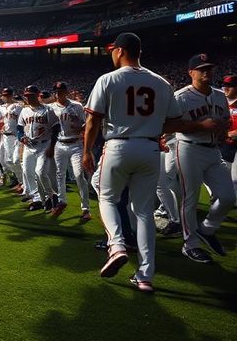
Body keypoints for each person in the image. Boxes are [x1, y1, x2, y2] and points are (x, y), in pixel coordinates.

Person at [81, 33, 209, 293]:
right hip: (151, 148)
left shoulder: (108, 79)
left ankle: (116, 246)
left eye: (112, 51)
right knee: (144, 213)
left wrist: (86, 152)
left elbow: (93, 121)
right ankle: (145, 276)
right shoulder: (161, 82)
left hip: (118, 145)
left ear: (120, 51)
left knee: (107, 198)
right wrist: (150, 126)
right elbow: (175, 122)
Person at [173, 54, 235, 264]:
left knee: (228, 196)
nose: (207, 71)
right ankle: (190, 245)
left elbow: (225, 120)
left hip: (213, 150)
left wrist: (222, 129)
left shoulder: (219, 96)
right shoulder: (180, 97)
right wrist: (200, 126)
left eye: (209, 68)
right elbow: (169, 126)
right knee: (190, 198)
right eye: (201, 69)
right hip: (189, 149)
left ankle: (206, 229)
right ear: (191, 73)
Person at [50, 81, 91, 220]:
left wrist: (78, 125)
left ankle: (86, 209)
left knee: (79, 175)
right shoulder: (51, 108)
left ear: (66, 92)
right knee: (59, 174)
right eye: (55, 92)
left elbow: (85, 125)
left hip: (75, 143)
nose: (57, 94)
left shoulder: (77, 106)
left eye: (60, 91)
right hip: (59, 144)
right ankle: (62, 201)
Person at [18, 85, 59, 212]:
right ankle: (37, 199)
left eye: (31, 95)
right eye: (27, 96)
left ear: (38, 95)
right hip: (29, 146)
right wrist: (21, 138)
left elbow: (56, 128)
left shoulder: (47, 110)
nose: (28, 98)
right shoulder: (24, 111)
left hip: (44, 144)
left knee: (40, 172)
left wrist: (52, 146)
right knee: (27, 171)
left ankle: (51, 196)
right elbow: (19, 128)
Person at [0, 87, 24, 192]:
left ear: (12, 95)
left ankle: (24, 182)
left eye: (8, 95)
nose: (6, 97)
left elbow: (22, 121)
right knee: (6, 161)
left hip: (15, 136)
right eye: (4, 95)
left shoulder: (19, 107)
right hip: (5, 136)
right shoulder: (1, 108)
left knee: (16, 160)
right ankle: (20, 181)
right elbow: (4, 121)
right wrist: (3, 126)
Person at [223, 75, 237, 195]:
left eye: (229, 86)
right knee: (223, 175)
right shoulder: (221, 102)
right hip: (224, 145)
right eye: (224, 85)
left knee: (235, 178)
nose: (225, 88)